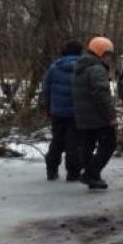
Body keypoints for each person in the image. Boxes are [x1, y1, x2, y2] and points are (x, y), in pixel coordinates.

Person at [73, 36, 118, 190]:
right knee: (109, 144)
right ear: (100, 53)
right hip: (98, 116)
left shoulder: (80, 67)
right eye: (107, 54)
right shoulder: (97, 69)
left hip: (82, 115)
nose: (109, 58)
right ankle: (90, 174)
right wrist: (111, 116)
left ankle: (93, 177)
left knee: (87, 146)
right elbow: (101, 95)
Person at [42, 40, 83, 181]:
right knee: (74, 143)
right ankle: (73, 173)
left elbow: (46, 90)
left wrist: (48, 108)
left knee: (57, 141)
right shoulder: (83, 68)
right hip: (77, 112)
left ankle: (51, 170)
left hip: (57, 111)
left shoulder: (54, 68)